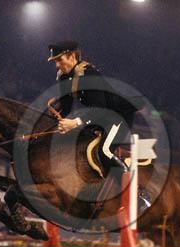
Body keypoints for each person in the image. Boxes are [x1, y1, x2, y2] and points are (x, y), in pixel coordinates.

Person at [47, 40, 138, 171]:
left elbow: (100, 109)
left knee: (104, 152)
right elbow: (66, 107)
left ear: (72, 56)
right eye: (55, 61)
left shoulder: (89, 75)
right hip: (101, 117)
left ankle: (130, 180)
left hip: (117, 116)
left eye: (60, 60)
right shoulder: (64, 77)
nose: (57, 65)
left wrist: (75, 123)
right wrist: (55, 117)